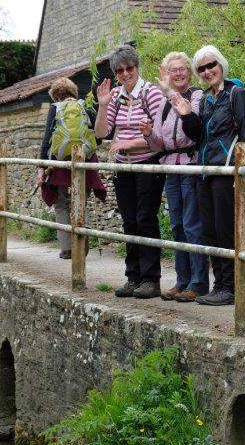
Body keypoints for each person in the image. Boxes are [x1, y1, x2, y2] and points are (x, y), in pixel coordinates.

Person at [177, 45, 245, 306]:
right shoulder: (207, 99)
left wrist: (241, 173)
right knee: (210, 231)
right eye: (202, 68)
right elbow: (199, 136)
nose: (208, 71)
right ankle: (219, 284)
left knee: (225, 231)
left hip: (226, 172)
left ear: (221, 64)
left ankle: (230, 287)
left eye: (212, 65)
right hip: (206, 171)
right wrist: (187, 116)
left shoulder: (236, 94)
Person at [94, 44, 166, 299]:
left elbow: (161, 135)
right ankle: (133, 276)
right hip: (123, 167)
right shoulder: (115, 96)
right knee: (129, 220)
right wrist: (102, 105)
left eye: (129, 68)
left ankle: (151, 278)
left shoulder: (152, 93)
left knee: (146, 218)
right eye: (120, 70)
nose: (126, 74)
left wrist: (128, 143)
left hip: (147, 164)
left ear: (137, 67)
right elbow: (102, 133)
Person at [140, 52, 209, 303]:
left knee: (192, 224)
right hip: (171, 167)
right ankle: (182, 280)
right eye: (173, 70)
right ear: (167, 73)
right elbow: (160, 144)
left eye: (182, 69)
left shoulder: (198, 97)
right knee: (178, 225)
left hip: (190, 166)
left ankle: (198, 282)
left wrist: (169, 92)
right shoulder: (163, 105)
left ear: (189, 72)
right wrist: (149, 134)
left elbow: (195, 128)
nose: (178, 74)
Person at [37, 77, 107, 259]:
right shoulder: (85, 106)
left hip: (60, 164)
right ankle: (82, 242)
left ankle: (68, 248)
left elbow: (47, 141)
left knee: (61, 203)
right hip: (85, 161)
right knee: (80, 200)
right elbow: (98, 138)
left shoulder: (55, 108)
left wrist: (41, 168)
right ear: (74, 92)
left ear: (55, 95)